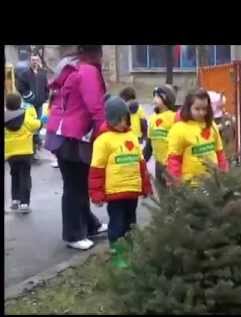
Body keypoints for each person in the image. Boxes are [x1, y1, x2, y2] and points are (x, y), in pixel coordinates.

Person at [44, 45, 108, 250]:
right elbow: (96, 106)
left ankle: (89, 225)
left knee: (78, 184)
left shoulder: (71, 67)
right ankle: (73, 234)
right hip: (73, 137)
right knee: (75, 186)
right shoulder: (88, 71)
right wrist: (104, 132)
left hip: (62, 134)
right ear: (96, 52)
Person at [89, 97, 152, 268]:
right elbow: (96, 169)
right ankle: (118, 256)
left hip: (132, 190)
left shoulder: (131, 136)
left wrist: (146, 185)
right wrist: (97, 193)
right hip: (115, 192)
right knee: (117, 224)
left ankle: (130, 252)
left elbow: (141, 163)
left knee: (131, 223)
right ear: (110, 120)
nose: (122, 124)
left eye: (124, 120)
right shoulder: (103, 141)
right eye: (118, 121)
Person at [166, 88, 229, 185]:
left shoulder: (211, 126)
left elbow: (219, 153)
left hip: (214, 184)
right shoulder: (179, 129)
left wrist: (224, 173)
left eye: (204, 109)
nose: (201, 113)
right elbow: (174, 160)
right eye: (197, 109)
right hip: (190, 187)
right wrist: (176, 184)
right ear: (188, 107)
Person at [4, 93, 42, 213]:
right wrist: (41, 123)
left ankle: (15, 200)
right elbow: (36, 125)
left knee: (14, 175)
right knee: (25, 176)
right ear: (20, 103)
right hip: (25, 152)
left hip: (10, 153)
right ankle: (24, 204)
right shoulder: (25, 116)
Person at [14, 51, 49, 158]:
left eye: (36, 59)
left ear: (39, 61)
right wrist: (28, 95)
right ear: (30, 60)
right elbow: (20, 86)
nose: (34, 61)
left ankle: (36, 146)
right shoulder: (25, 73)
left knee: (38, 124)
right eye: (33, 60)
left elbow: (46, 87)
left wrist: (45, 96)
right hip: (29, 105)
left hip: (39, 103)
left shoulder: (43, 73)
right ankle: (31, 148)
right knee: (29, 125)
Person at [143, 85, 177, 186]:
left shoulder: (174, 117)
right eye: (154, 96)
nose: (155, 99)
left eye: (158, 96)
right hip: (158, 164)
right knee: (162, 192)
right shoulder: (153, 118)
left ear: (167, 99)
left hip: (171, 163)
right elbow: (149, 143)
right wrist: (143, 160)